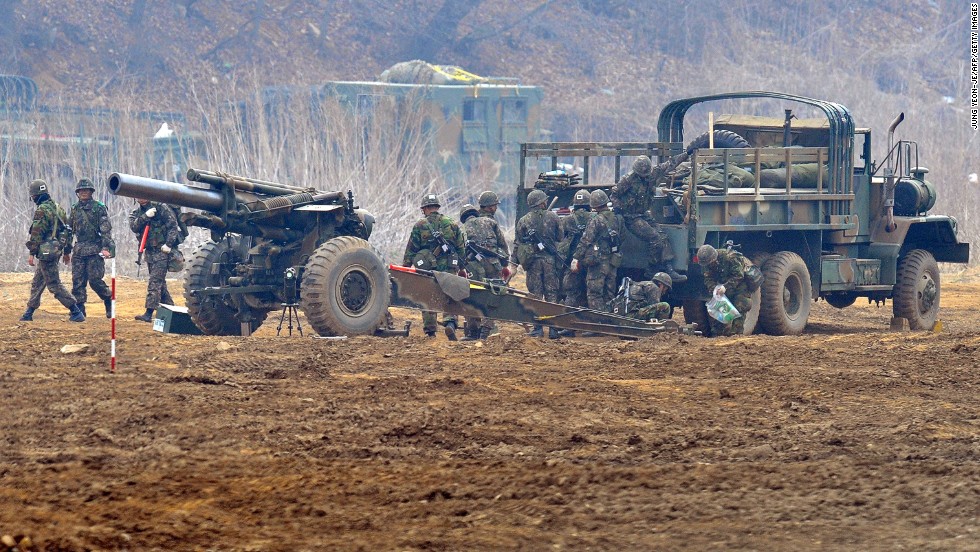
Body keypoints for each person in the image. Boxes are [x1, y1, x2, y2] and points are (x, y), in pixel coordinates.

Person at [610, 155, 687, 283]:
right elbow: (614, 194)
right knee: (655, 238)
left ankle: (668, 268)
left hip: (644, 213)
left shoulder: (653, 174)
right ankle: (652, 269)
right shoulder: (628, 180)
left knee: (662, 235)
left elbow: (670, 163)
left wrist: (687, 153)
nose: (644, 177)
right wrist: (618, 209)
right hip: (630, 216)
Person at [402, 193, 466, 340]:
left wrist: (405, 267)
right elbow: (461, 249)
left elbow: (411, 250)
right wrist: (462, 268)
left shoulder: (419, 225)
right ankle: (450, 323)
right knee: (450, 294)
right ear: (437, 207)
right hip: (449, 267)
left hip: (427, 268)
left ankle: (430, 331)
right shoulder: (452, 224)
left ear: (424, 209)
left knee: (428, 295)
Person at [20, 179, 86, 323]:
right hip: (55, 251)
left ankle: (75, 311)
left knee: (54, 284)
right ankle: (28, 313)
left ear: (35, 195)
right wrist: (67, 251)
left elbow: (36, 233)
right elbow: (68, 231)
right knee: (38, 281)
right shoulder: (58, 208)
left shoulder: (42, 210)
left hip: (45, 252)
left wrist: (31, 253)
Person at [512, 189, 562, 339]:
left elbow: (518, 243)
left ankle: (538, 328)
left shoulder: (524, 220)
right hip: (550, 261)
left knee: (535, 295)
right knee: (552, 294)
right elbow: (560, 236)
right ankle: (554, 329)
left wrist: (513, 263)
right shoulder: (553, 217)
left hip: (533, 262)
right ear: (542, 202)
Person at [459, 199, 510, 341]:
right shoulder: (491, 223)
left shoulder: (462, 229)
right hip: (493, 264)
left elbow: (459, 251)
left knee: (471, 296)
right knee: (492, 295)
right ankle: (487, 330)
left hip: (473, 267)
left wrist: (461, 268)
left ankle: (473, 332)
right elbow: (503, 246)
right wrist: (504, 264)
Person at [68, 178, 114, 318]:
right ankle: (80, 311)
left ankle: (108, 300)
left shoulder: (99, 207)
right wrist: (66, 250)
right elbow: (69, 230)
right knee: (78, 282)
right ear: (77, 193)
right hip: (79, 250)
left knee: (95, 281)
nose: (84, 193)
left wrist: (106, 248)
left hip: (95, 249)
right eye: (81, 191)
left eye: (86, 190)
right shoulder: (74, 209)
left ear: (91, 192)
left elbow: (106, 230)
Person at [129, 197, 180, 322]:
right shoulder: (136, 213)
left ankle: (149, 313)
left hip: (162, 251)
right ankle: (171, 310)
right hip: (150, 252)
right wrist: (145, 216)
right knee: (160, 284)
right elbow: (134, 227)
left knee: (155, 282)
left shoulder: (161, 208)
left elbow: (173, 226)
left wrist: (168, 244)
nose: (141, 199)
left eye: (143, 195)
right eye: (138, 197)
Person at [571, 189, 622, 314]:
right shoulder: (617, 218)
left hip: (598, 262)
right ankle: (610, 321)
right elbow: (622, 236)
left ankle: (598, 323)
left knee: (594, 293)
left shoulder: (595, 220)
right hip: (613, 261)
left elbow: (586, 240)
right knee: (609, 294)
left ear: (593, 205)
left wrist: (576, 258)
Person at [554, 190, 593, 337]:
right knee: (592, 294)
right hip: (591, 263)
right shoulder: (594, 218)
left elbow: (560, 238)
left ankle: (568, 326)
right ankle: (592, 326)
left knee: (571, 293)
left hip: (573, 264)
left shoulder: (568, 220)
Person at [697, 244, 755, 336]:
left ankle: (736, 335)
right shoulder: (707, 263)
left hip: (740, 285)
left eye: (711, 262)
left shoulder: (730, 257)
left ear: (714, 257)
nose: (709, 265)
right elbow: (708, 278)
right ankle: (718, 334)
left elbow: (739, 276)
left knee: (740, 306)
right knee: (720, 308)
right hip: (722, 285)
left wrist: (726, 287)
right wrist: (714, 289)